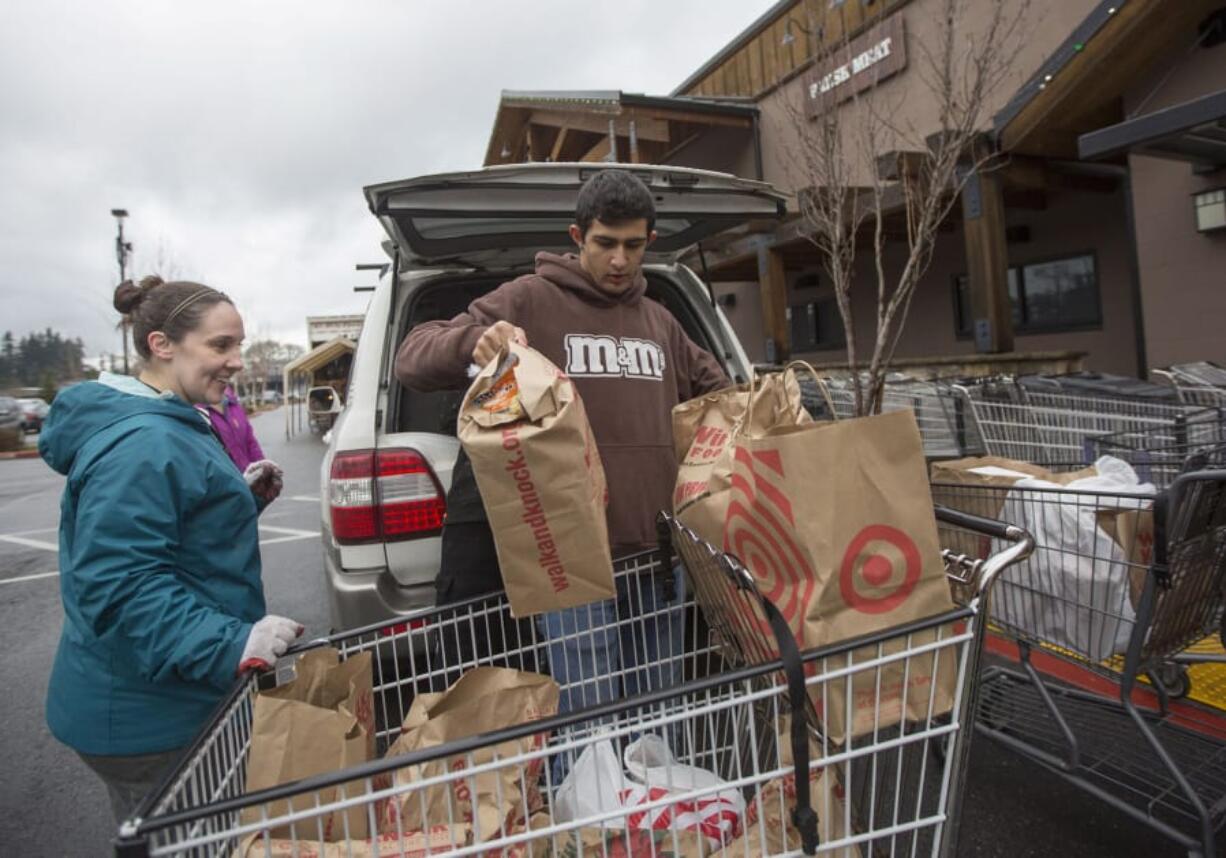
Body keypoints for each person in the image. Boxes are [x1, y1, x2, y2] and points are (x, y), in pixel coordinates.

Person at [396, 169, 729, 780]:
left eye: (634, 245)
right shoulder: (530, 300)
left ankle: (652, 821)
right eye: (606, 243)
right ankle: (585, 832)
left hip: (658, 557)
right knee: (586, 726)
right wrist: (473, 339)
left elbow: (725, 398)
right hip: (571, 563)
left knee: (657, 716)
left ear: (648, 241)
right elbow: (415, 352)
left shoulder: (661, 321)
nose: (620, 260)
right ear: (578, 236)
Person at [39, 275, 302, 823]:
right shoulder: (145, 440)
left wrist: (236, 501)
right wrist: (232, 643)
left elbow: (163, 529)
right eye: (220, 345)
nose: (235, 361)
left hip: (156, 698)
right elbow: (120, 585)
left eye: (239, 345)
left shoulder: (170, 418)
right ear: (162, 344)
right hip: (151, 715)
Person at [196, 385, 284, 501]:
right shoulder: (196, 411)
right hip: (225, 495)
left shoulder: (232, 402)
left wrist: (263, 470)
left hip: (249, 489)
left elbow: (250, 441)